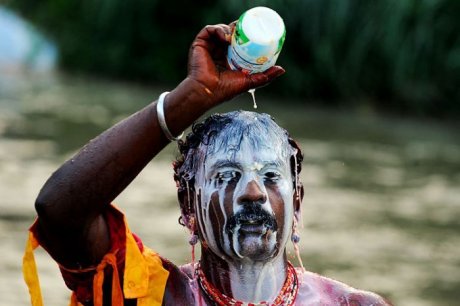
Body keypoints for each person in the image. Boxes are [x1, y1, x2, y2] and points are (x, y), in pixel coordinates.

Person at [23, 23, 392, 306]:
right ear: (188, 206)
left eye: (270, 175)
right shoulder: (152, 295)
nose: (252, 193)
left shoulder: (353, 304)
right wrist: (189, 98)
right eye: (227, 175)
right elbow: (59, 211)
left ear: (296, 202)